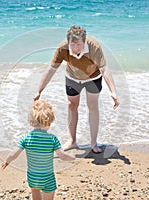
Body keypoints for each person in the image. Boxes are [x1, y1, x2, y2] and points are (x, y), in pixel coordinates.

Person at [33, 25, 119, 154]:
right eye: (73, 45)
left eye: (79, 45)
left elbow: (104, 69)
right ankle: (72, 141)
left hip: (93, 78)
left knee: (92, 106)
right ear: (68, 42)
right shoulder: (62, 48)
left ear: (84, 42)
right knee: (72, 105)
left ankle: (93, 143)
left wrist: (113, 91)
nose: (76, 48)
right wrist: (39, 90)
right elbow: (51, 69)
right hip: (72, 77)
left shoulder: (94, 46)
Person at [1, 100, 75, 200]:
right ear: (50, 121)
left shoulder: (26, 138)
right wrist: (72, 157)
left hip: (32, 177)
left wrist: (6, 161)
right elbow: (62, 156)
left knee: (35, 192)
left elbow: (14, 153)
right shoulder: (52, 139)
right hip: (47, 177)